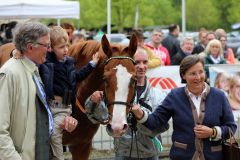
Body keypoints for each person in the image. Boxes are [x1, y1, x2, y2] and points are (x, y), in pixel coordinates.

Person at [131, 54, 237, 160]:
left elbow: (231, 127)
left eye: (201, 72)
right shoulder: (174, 96)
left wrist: (213, 132)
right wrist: (140, 114)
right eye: (193, 73)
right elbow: (156, 121)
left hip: (213, 156)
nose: (198, 77)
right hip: (182, 156)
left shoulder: (219, 96)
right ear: (183, 75)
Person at [0, 22, 77, 160]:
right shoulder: (10, 74)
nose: (49, 50)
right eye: (47, 45)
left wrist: (63, 123)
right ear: (30, 47)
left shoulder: (35, 70)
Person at [85, 47, 169, 160]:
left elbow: (161, 126)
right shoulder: (116, 94)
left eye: (145, 62)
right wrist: (93, 102)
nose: (141, 66)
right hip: (123, 153)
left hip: (150, 154)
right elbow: (99, 118)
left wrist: (142, 116)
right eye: (136, 62)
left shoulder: (158, 95)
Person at [40, 26, 100, 160]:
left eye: (67, 46)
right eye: (61, 47)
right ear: (50, 48)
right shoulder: (46, 62)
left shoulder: (69, 63)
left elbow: (78, 76)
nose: (66, 50)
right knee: (47, 136)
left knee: (55, 134)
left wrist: (92, 65)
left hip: (63, 109)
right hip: (49, 107)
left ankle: (58, 157)